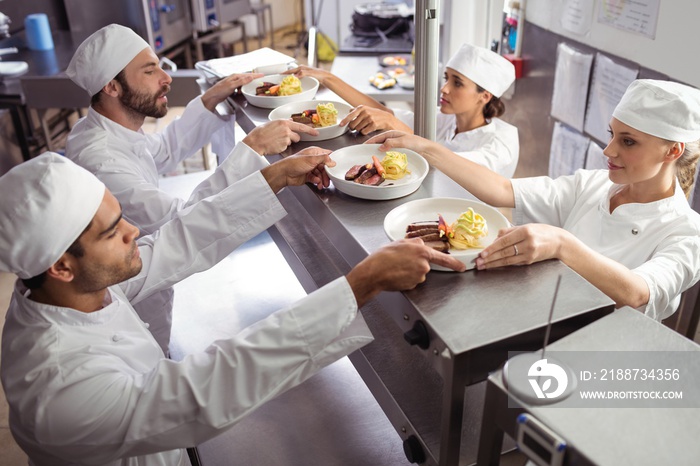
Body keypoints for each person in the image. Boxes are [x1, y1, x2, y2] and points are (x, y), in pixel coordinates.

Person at [0, 152, 465, 466]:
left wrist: (274, 177)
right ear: (61, 265)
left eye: (120, 215)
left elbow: (174, 243)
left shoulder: (69, 288)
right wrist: (361, 284)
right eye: (112, 232)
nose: (133, 230)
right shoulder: (56, 388)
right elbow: (208, 386)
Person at [65, 24, 319, 353]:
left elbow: (160, 151)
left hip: (146, 286)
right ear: (112, 87)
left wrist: (210, 100)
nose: (166, 77)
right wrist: (252, 149)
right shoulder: (99, 160)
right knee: (151, 364)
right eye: (150, 70)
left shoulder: (109, 130)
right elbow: (180, 219)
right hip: (131, 308)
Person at [367, 79, 700, 321]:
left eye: (628, 142)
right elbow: (502, 190)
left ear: (673, 151)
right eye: (612, 135)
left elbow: (639, 292)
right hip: (544, 320)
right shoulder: (593, 185)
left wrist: (560, 243)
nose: (608, 150)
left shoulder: (687, 232)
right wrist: (424, 148)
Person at [286, 43, 519, 177]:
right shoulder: (447, 120)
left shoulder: (500, 145)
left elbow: (451, 166)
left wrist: (395, 126)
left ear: (484, 96)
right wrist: (327, 78)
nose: (444, 88)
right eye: (447, 78)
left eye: (457, 83)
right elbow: (385, 113)